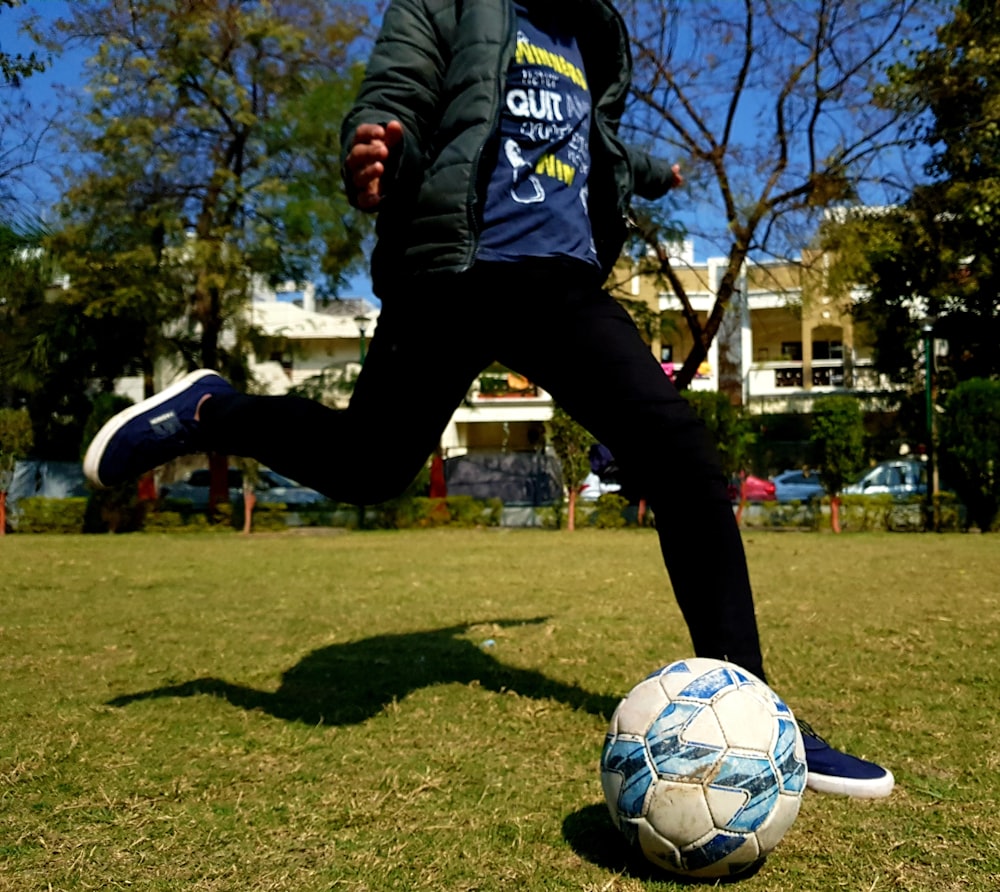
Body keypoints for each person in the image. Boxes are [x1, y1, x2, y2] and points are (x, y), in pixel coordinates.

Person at [84, 0, 892, 798]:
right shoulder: (448, 4)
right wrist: (374, 150)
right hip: (453, 273)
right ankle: (211, 412)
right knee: (369, 468)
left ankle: (754, 718)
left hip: (561, 287)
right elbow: (394, 93)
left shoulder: (592, 35)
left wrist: (656, 173)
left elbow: (601, 145)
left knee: (684, 463)